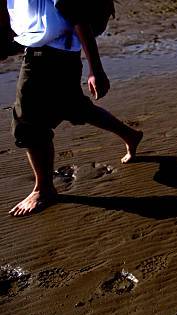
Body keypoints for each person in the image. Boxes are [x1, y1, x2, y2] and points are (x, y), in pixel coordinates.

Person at [2, 0, 143, 216]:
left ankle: (44, 189)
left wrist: (95, 69)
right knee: (75, 107)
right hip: (55, 51)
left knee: (27, 124)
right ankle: (130, 135)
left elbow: (76, 14)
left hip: (47, 55)